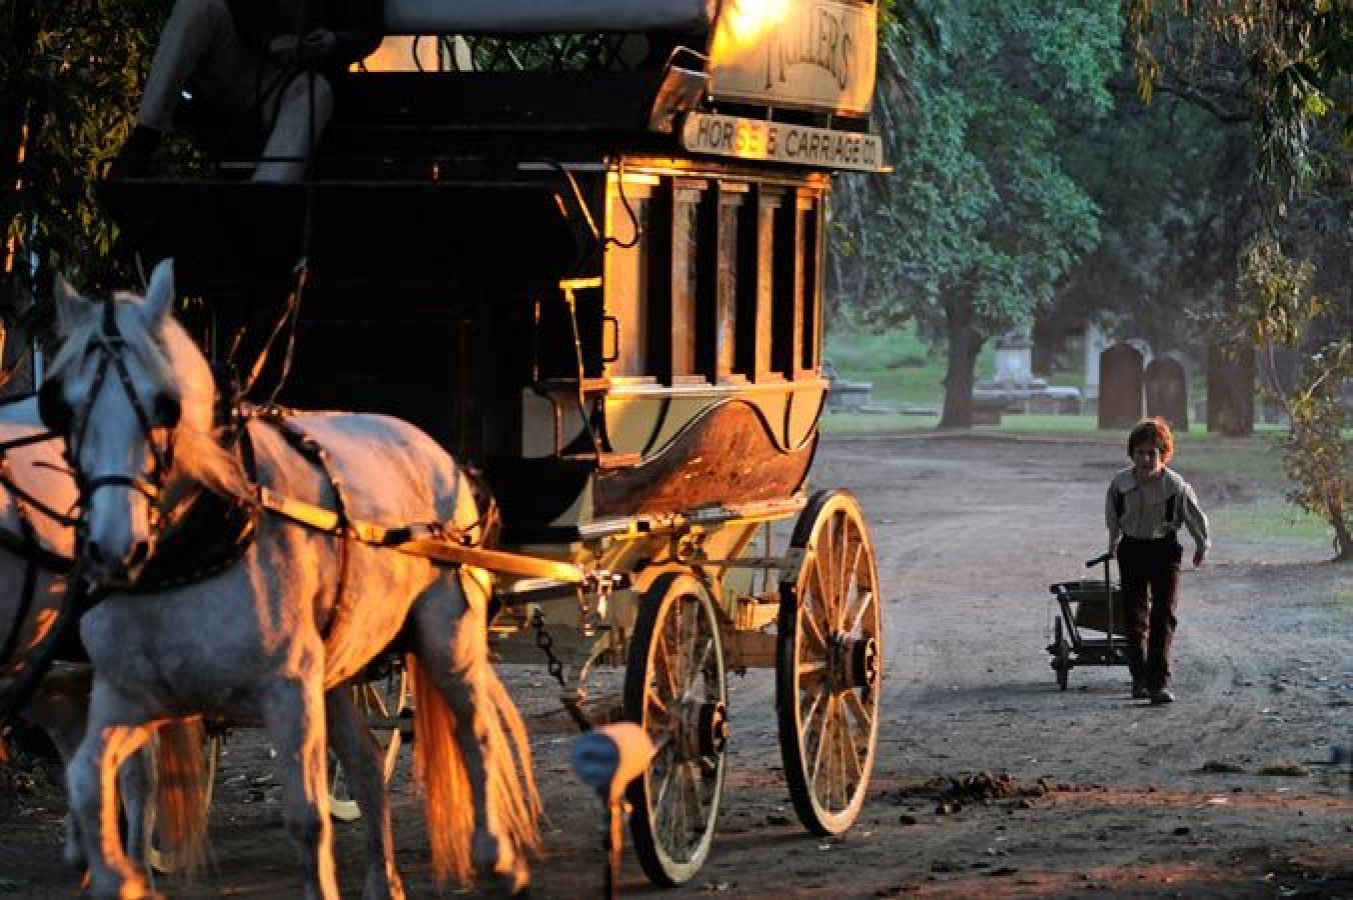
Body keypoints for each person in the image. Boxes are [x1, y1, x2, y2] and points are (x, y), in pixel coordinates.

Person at [111, 0, 383, 183]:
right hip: (238, 60)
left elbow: (368, 29)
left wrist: (332, 42)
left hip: (293, 78)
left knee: (316, 92)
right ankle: (145, 136)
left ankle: (265, 197)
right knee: (196, 6)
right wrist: (268, 40)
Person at [1105, 417, 1209, 705]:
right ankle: (1139, 678)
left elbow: (1195, 518)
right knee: (1134, 615)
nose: (1146, 458)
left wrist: (1202, 545)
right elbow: (1113, 519)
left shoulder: (1175, 485)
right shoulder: (1120, 483)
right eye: (1140, 452)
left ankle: (1158, 683)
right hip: (1132, 549)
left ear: (1164, 454)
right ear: (1131, 454)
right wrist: (1112, 545)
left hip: (1164, 551)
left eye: (1153, 453)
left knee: (1164, 615)